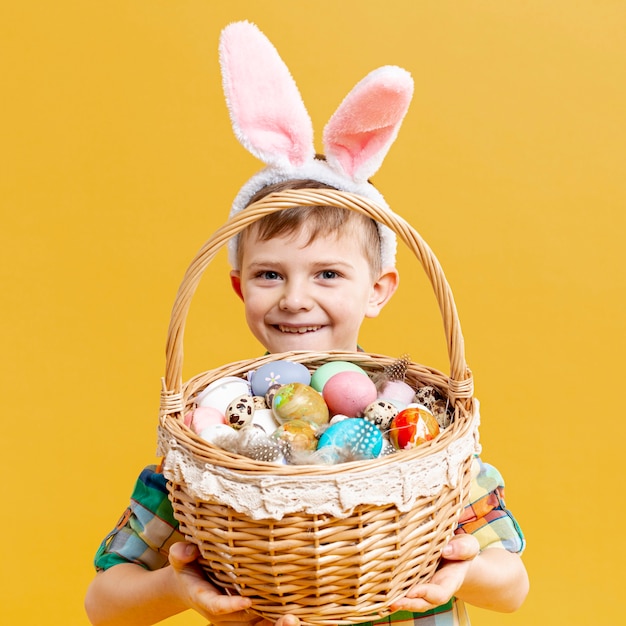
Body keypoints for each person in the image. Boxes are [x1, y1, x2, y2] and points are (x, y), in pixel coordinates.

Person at [85, 21, 529, 626]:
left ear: (378, 291)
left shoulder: (420, 428)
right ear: (239, 287)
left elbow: (512, 586)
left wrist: (461, 567)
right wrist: (181, 587)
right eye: (270, 275)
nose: (295, 300)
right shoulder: (210, 444)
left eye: (327, 275)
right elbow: (104, 605)